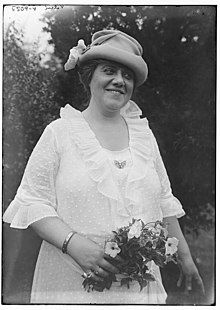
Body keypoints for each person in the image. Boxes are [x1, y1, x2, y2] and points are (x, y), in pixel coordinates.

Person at [3, 29, 204, 304]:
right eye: (109, 70)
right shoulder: (60, 133)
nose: (119, 81)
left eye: (127, 75)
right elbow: (32, 201)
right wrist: (72, 243)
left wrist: (184, 256)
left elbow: (164, 201)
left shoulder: (144, 136)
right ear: (89, 77)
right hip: (71, 282)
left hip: (138, 289)